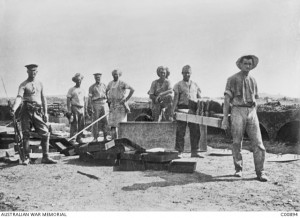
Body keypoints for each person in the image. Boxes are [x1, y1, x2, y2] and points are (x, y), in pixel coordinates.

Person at [222, 55, 269, 182]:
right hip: (237, 110)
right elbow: (227, 100)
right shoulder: (232, 79)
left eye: (250, 64)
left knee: (258, 143)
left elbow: (256, 99)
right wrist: (225, 118)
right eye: (246, 63)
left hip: (252, 111)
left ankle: (261, 171)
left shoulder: (253, 80)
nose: (248, 66)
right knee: (237, 141)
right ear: (240, 64)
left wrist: (254, 113)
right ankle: (238, 168)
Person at [10, 64, 57, 165]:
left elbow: (43, 98)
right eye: (31, 71)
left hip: (38, 111)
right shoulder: (23, 84)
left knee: (45, 133)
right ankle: (26, 158)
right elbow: (19, 97)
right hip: (26, 110)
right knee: (26, 134)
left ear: (37, 72)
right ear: (27, 72)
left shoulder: (40, 83)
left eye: (35, 71)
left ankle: (46, 157)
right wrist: (14, 108)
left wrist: (45, 112)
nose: (33, 73)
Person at [172, 65, 203, 158]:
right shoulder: (178, 85)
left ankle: (195, 151)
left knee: (195, 131)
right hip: (182, 108)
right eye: (185, 73)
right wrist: (173, 111)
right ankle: (179, 151)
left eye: (188, 73)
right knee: (181, 131)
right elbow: (175, 99)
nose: (186, 74)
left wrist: (200, 108)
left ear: (191, 73)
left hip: (193, 109)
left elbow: (199, 97)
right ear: (182, 73)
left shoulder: (195, 84)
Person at [106, 69, 134, 139]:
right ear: (112, 75)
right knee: (112, 125)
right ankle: (114, 141)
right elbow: (106, 91)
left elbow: (132, 89)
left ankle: (121, 141)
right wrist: (108, 99)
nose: (115, 76)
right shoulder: (110, 83)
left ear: (119, 75)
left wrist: (126, 99)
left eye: (117, 74)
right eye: (114, 74)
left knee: (121, 124)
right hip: (113, 105)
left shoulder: (122, 83)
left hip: (121, 105)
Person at [87, 73, 108, 141]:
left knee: (105, 121)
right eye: (96, 78)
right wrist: (89, 106)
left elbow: (108, 95)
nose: (98, 79)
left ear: (101, 78)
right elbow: (89, 97)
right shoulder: (92, 87)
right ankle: (95, 137)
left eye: (99, 77)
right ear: (94, 78)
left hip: (104, 103)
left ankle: (105, 136)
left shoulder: (104, 85)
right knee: (95, 121)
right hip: (96, 104)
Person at [67, 73, 86, 144]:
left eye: (80, 80)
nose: (79, 82)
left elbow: (85, 100)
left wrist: (86, 110)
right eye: (77, 80)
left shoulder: (83, 90)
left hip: (82, 108)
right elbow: (68, 100)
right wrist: (69, 110)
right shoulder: (71, 89)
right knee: (75, 123)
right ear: (75, 81)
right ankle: (73, 139)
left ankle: (79, 138)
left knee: (82, 124)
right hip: (75, 107)